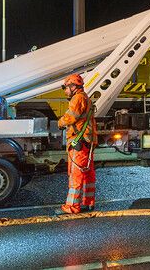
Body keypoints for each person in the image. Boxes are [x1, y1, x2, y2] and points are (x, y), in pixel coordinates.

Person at [56, 73, 97, 214]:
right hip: (87, 141)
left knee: (76, 174)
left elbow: (71, 117)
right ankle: (88, 203)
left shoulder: (77, 98)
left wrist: (60, 122)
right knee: (87, 173)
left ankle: (72, 207)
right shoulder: (85, 97)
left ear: (73, 86)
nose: (65, 91)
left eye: (66, 88)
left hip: (79, 141)